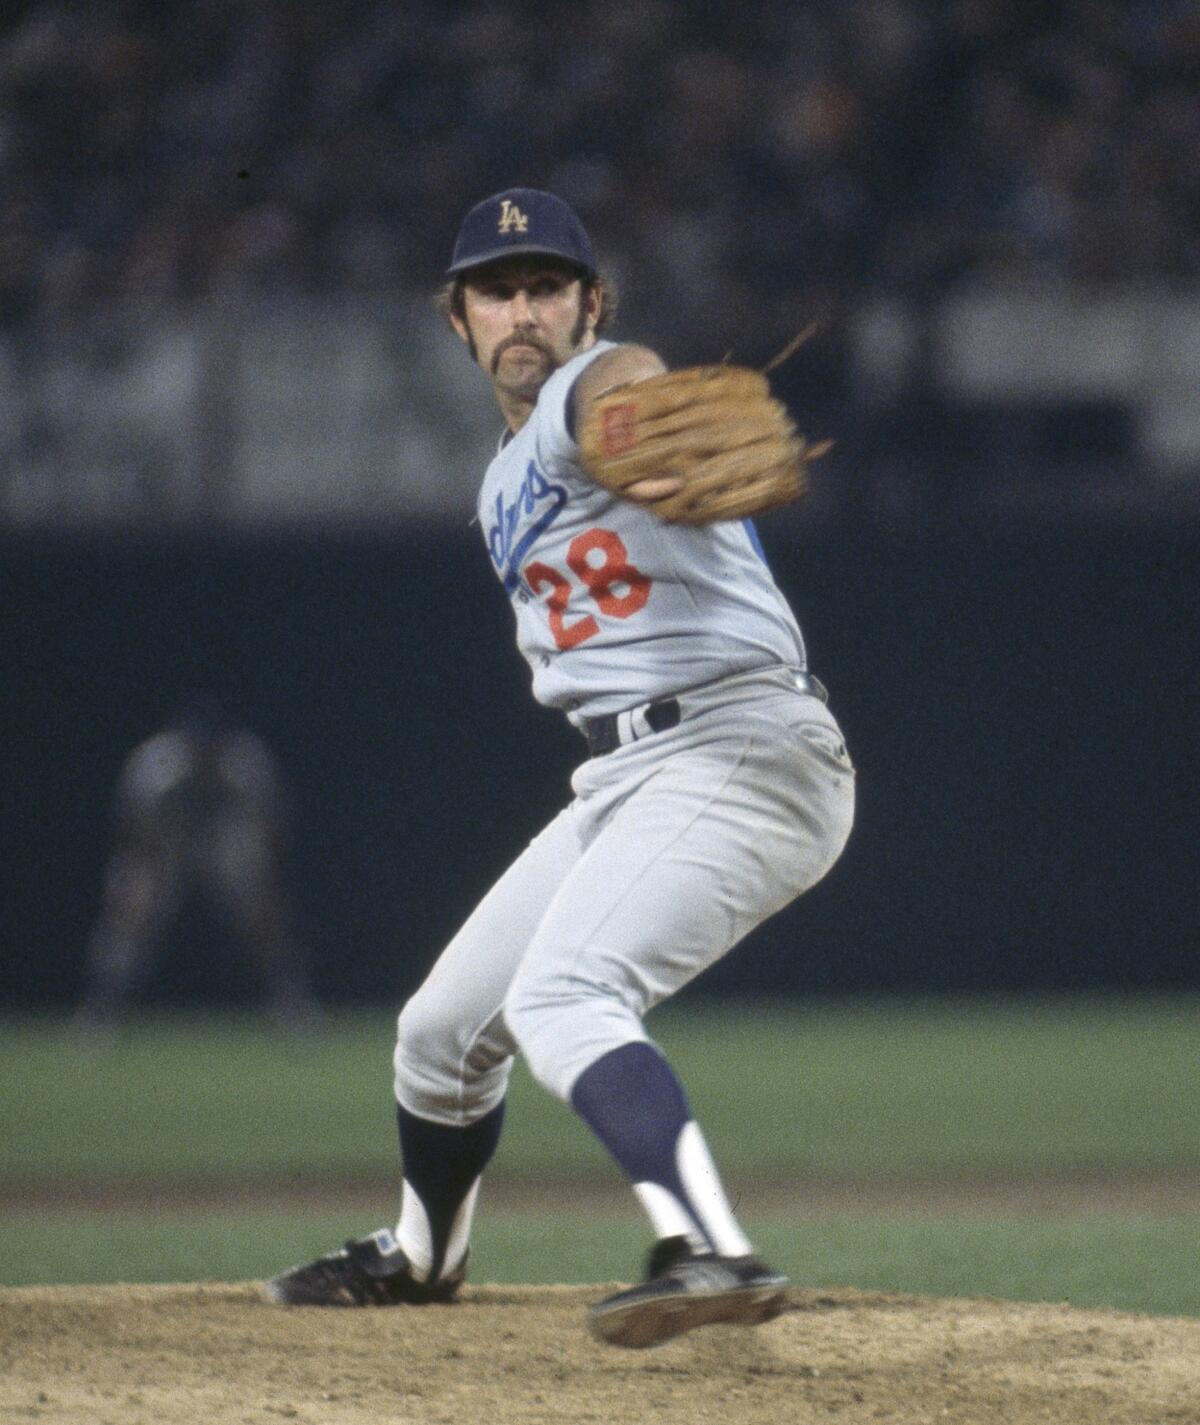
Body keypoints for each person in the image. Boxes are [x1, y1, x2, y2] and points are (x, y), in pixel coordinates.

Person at [266, 188, 855, 1348]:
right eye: (498, 290)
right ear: (459, 319)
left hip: (741, 743)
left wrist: (634, 409)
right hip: (628, 775)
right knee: (439, 1034)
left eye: (547, 286)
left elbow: (625, 386)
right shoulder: (497, 480)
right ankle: (424, 1259)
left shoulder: (594, 390)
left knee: (564, 994)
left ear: (591, 304)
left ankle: (709, 1248)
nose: (523, 309)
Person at [77, 698, 319, 1033]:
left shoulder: (245, 765)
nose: (204, 752)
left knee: (265, 917)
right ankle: (100, 1011)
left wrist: (257, 877)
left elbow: (269, 827)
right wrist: (142, 877)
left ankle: (294, 1007)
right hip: (167, 844)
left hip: (224, 840)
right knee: (129, 912)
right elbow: (135, 830)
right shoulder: (155, 768)